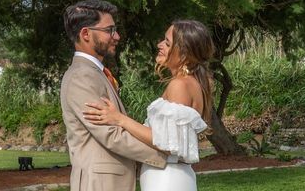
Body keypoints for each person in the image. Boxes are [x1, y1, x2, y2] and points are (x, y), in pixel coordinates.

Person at [83, 19, 214, 191]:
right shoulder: (191, 83)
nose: (160, 45)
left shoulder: (180, 85)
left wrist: (119, 119)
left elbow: (167, 143)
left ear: (184, 53)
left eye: (167, 43)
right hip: (171, 176)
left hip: (167, 179)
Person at [60, 0, 167, 191]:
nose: (116, 36)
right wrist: (166, 154)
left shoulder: (94, 73)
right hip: (100, 183)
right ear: (86, 34)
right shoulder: (81, 77)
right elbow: (110, 134)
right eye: (109, 30)